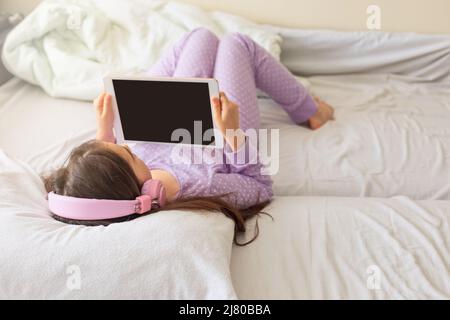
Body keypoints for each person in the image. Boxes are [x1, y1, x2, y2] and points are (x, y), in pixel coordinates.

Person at [43, 28, 334, 245]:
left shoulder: (128, 180)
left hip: (173, 123)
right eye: (128, 153)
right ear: (143, 191)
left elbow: (107, 177)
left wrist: (106, 128)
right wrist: (231, 130)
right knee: (237, 43)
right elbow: (260, 186)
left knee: (200, 37)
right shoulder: (199, 185)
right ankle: (310, 111)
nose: (123, 146)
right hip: (223, 133)